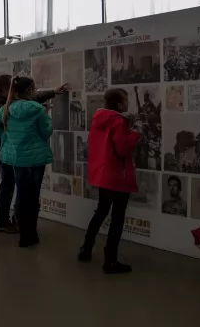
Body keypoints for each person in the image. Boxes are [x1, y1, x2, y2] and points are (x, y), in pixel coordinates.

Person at [0, 74, 66, 233]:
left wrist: (52, 92)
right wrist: (6, 142)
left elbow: (29, 100)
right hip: (7, 154)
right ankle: (4, 222)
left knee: (20, 191)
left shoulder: (9, 103)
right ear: (8, 89)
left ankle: (20, 222)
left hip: (14, 153)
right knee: (9, 189)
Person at [78, 88, 141, 274]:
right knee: (117, 218)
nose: (128, 104)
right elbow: (122, 149)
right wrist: (136, 131)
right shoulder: (119, 122)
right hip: (117, 177)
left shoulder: (100, 118)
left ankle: (86, 248)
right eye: (126, 101)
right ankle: (110, 261)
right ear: (120, 104)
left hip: (104, 175)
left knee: (101, 212)